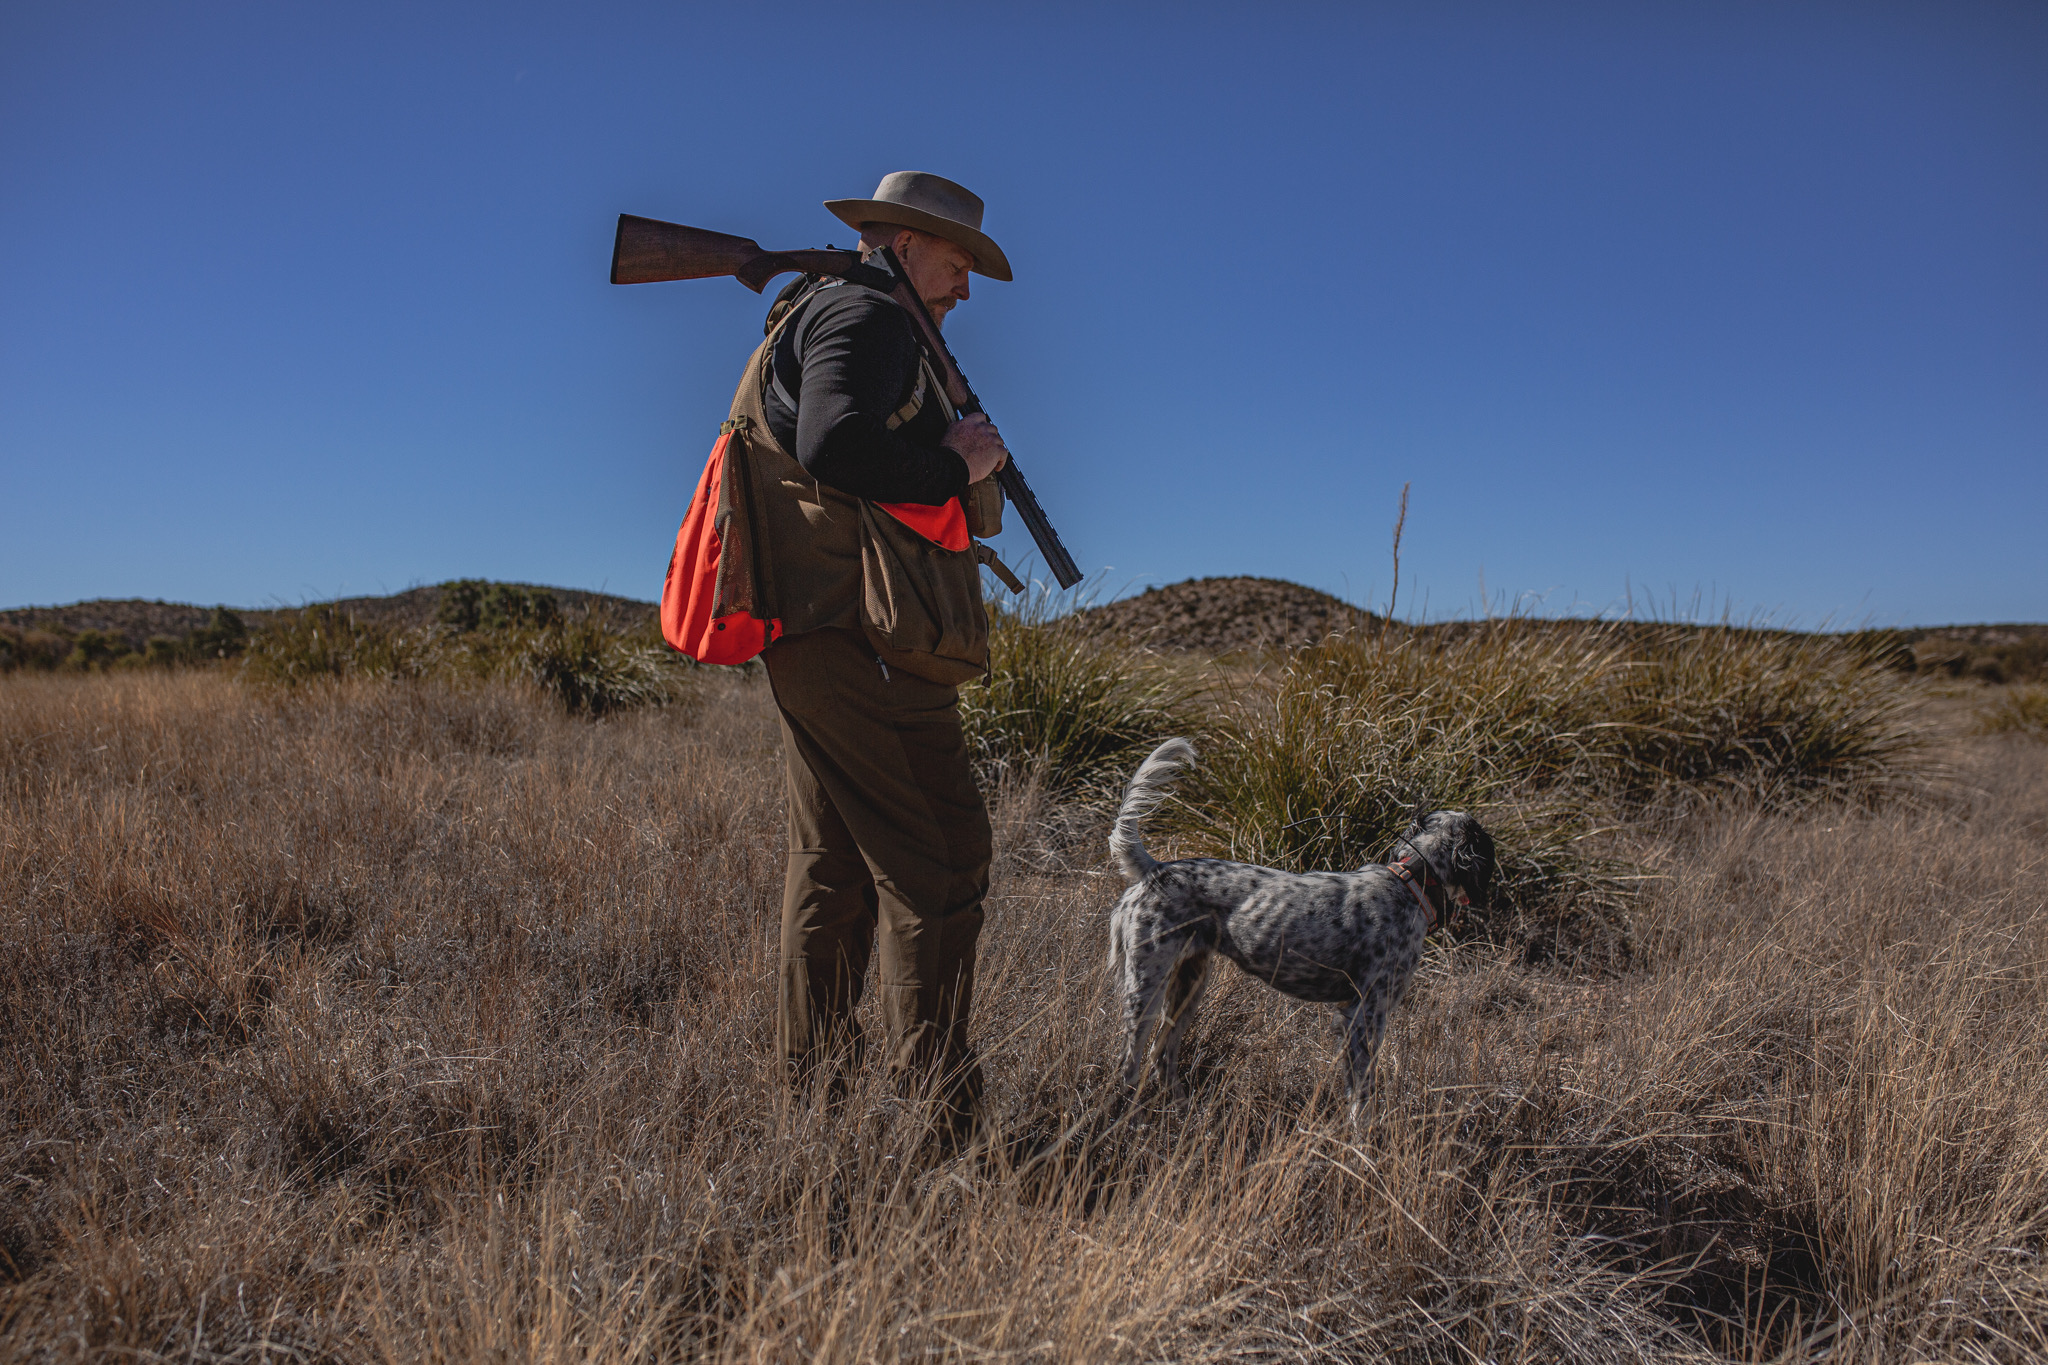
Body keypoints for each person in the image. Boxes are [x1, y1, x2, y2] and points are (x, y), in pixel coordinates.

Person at [744, 171, 1012, 1138]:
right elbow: (835, 445)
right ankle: (942, 1121)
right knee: (942, 858)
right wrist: (960, 465)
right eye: (956, 262)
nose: (965, 288)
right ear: (904, 244)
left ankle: (810, 1108)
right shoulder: (869, 317)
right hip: (866, 639)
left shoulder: (822, 309)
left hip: (819, 632)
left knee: (834, 869)